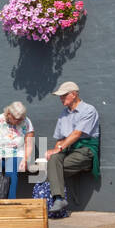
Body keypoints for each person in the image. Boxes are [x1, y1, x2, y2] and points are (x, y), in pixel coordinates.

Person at [43, 81, 100, 215]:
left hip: (84, 150)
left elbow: (76, 134)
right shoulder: (63, 114)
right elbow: (60, 139)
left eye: (63, 95)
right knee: (53, 160)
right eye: (60, 96)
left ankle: (56, 198)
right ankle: (59, 199)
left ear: (73, 95)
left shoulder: (89, 110)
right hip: (68, 150)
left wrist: (59, 148)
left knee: (55, 169)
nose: (61, 99)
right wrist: (54, 151)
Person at [0, 101, 35, 199]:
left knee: (11, 172)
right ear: (8, 114)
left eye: (21, 119)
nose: (18, 121)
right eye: (16, 119)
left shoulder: (26, 122)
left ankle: (11, 203)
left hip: (16, 153)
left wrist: (25, 159)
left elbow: (29, 144)